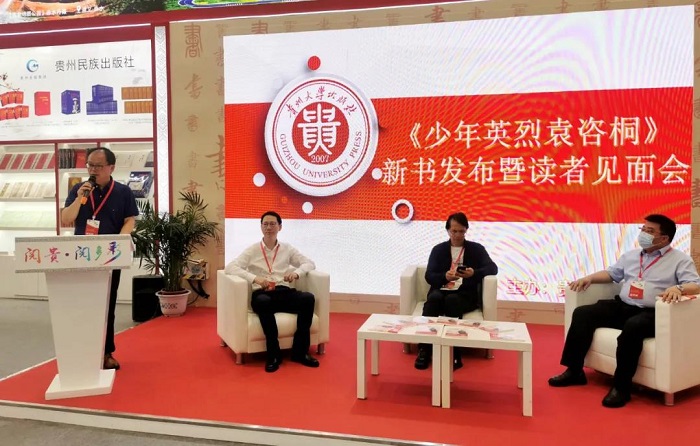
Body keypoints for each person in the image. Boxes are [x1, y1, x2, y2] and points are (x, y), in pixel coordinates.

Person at [549, 214, 700, 408]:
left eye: (650, 231)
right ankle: (574, 370)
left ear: (664, 238)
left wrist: (678, 288)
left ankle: (621, 387)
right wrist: (590, 278)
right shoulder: (631, 256)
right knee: (583, 313)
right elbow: (612, 274)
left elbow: (695, 285)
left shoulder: (680, 260)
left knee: (633, 327)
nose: (644, 234)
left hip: (653, 312)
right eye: (643, 229)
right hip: (624, 305)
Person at [61, 147, 139, 371]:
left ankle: (106, 353)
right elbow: (66, 218)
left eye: (98, 166)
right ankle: (82, 351)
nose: (93, 170)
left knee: (107, 305)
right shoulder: (79, 189)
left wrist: (120, 241)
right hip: (81, 255)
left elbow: (130, 219)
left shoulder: (123, 191)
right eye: (90, 165)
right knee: (81, 304)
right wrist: (79, 198)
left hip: (109, 256)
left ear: (111, 167)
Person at [225, 211, 319, 373]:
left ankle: (300, 352)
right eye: (265, 224)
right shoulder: (253, 250)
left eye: (272, 224)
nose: (269, 227)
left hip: (282, 291)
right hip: (262, 294)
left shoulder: (287, 249)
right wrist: (255, 278)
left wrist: (296, 274)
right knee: (263, 302)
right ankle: (273, 355)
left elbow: (309, 263)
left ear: (280, 227)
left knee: (308, 298)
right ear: (261, 227)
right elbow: (231, 267)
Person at [415, 212, 498, 370]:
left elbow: (493, 268)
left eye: (461, 231)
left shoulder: (476, 249)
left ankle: (455, 352)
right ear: (448, 230)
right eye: (454, 231)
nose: (458, 235)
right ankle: (424, 349)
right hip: (441, 290)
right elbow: (429, 276)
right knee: (434, 300)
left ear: (466, 230)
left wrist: (474, 273)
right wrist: (444, 277)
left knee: (452, 300)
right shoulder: (438, 250)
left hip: (464, 294)